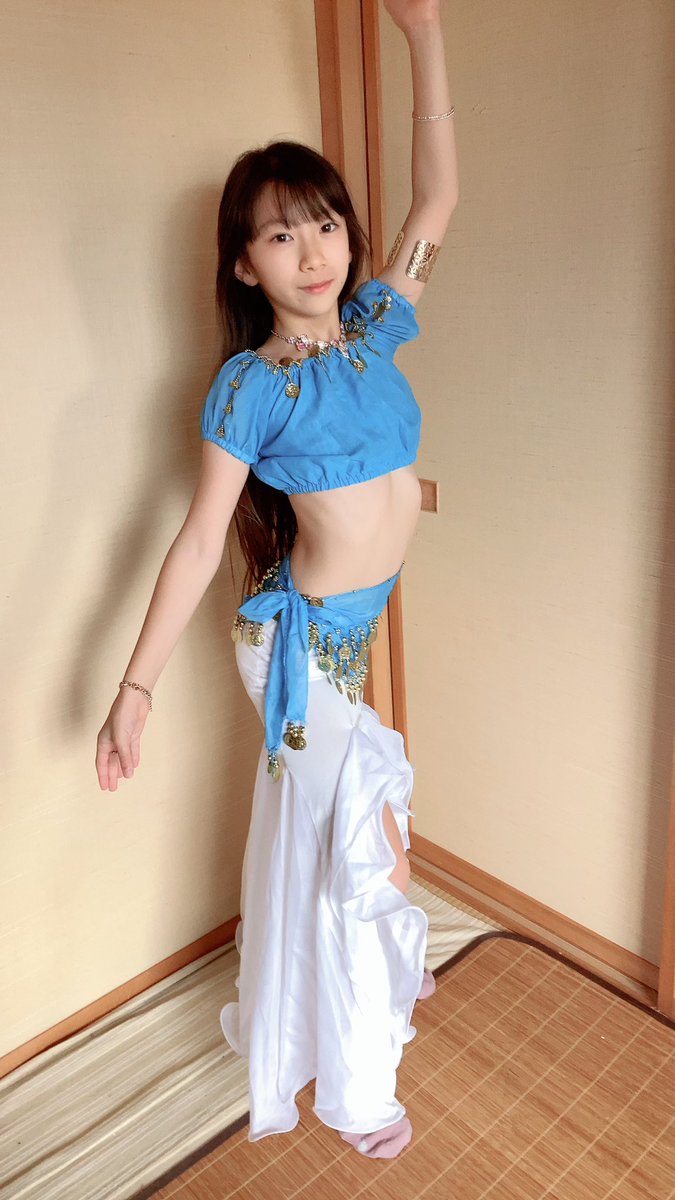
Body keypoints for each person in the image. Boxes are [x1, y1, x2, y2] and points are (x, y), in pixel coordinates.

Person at [95, 0, 457, 1161]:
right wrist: (136, 689)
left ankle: (345, 1002)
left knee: (358, 847)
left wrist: (423, 35)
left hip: (351, 630)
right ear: (245, 264)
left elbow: (437, 204)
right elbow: (200, 541)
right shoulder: (251, 387)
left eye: (326, 224)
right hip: (300, 649)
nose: (315, 251)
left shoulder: (378, 324)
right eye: (282, 235)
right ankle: (357, 1088)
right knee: (368, 848)